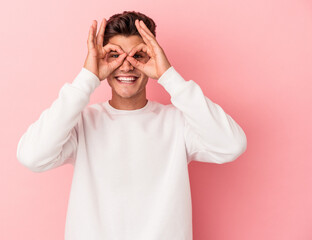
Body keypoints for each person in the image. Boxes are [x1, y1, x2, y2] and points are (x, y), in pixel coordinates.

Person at [16, 10, 247, 240]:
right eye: (115, 55)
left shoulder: (178, 123)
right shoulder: (81, 124)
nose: (126, 66)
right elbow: (32, 156)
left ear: (152, 57)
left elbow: (231, 145)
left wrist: (168, 76)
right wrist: (87, 77)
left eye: (138, 56)